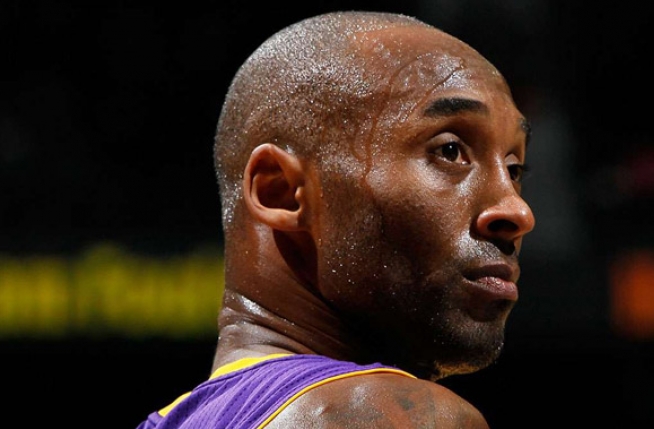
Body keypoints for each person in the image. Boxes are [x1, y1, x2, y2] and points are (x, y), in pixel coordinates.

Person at [136, 10, 535, 429]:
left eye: (514, 169)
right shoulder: (392, 415)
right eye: (450, 151)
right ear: (280, 192)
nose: (517, 211)